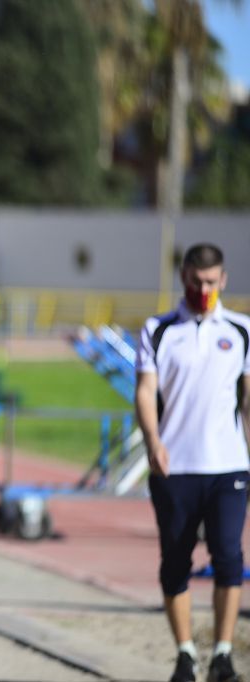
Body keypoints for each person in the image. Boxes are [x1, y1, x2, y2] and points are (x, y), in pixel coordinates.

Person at [135, 243, 250, 682]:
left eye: (211, 282)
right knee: (175, 561)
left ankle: (222, 655)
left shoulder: (240, 330)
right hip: (175, 466)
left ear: (224, 280)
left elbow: (247, 401)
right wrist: (153, 440)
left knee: (228, 556)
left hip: (227, 466)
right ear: (184, 277)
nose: (203, 289)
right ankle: (185, 655)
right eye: (196, 281)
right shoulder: (159, 329)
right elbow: (146, 391)